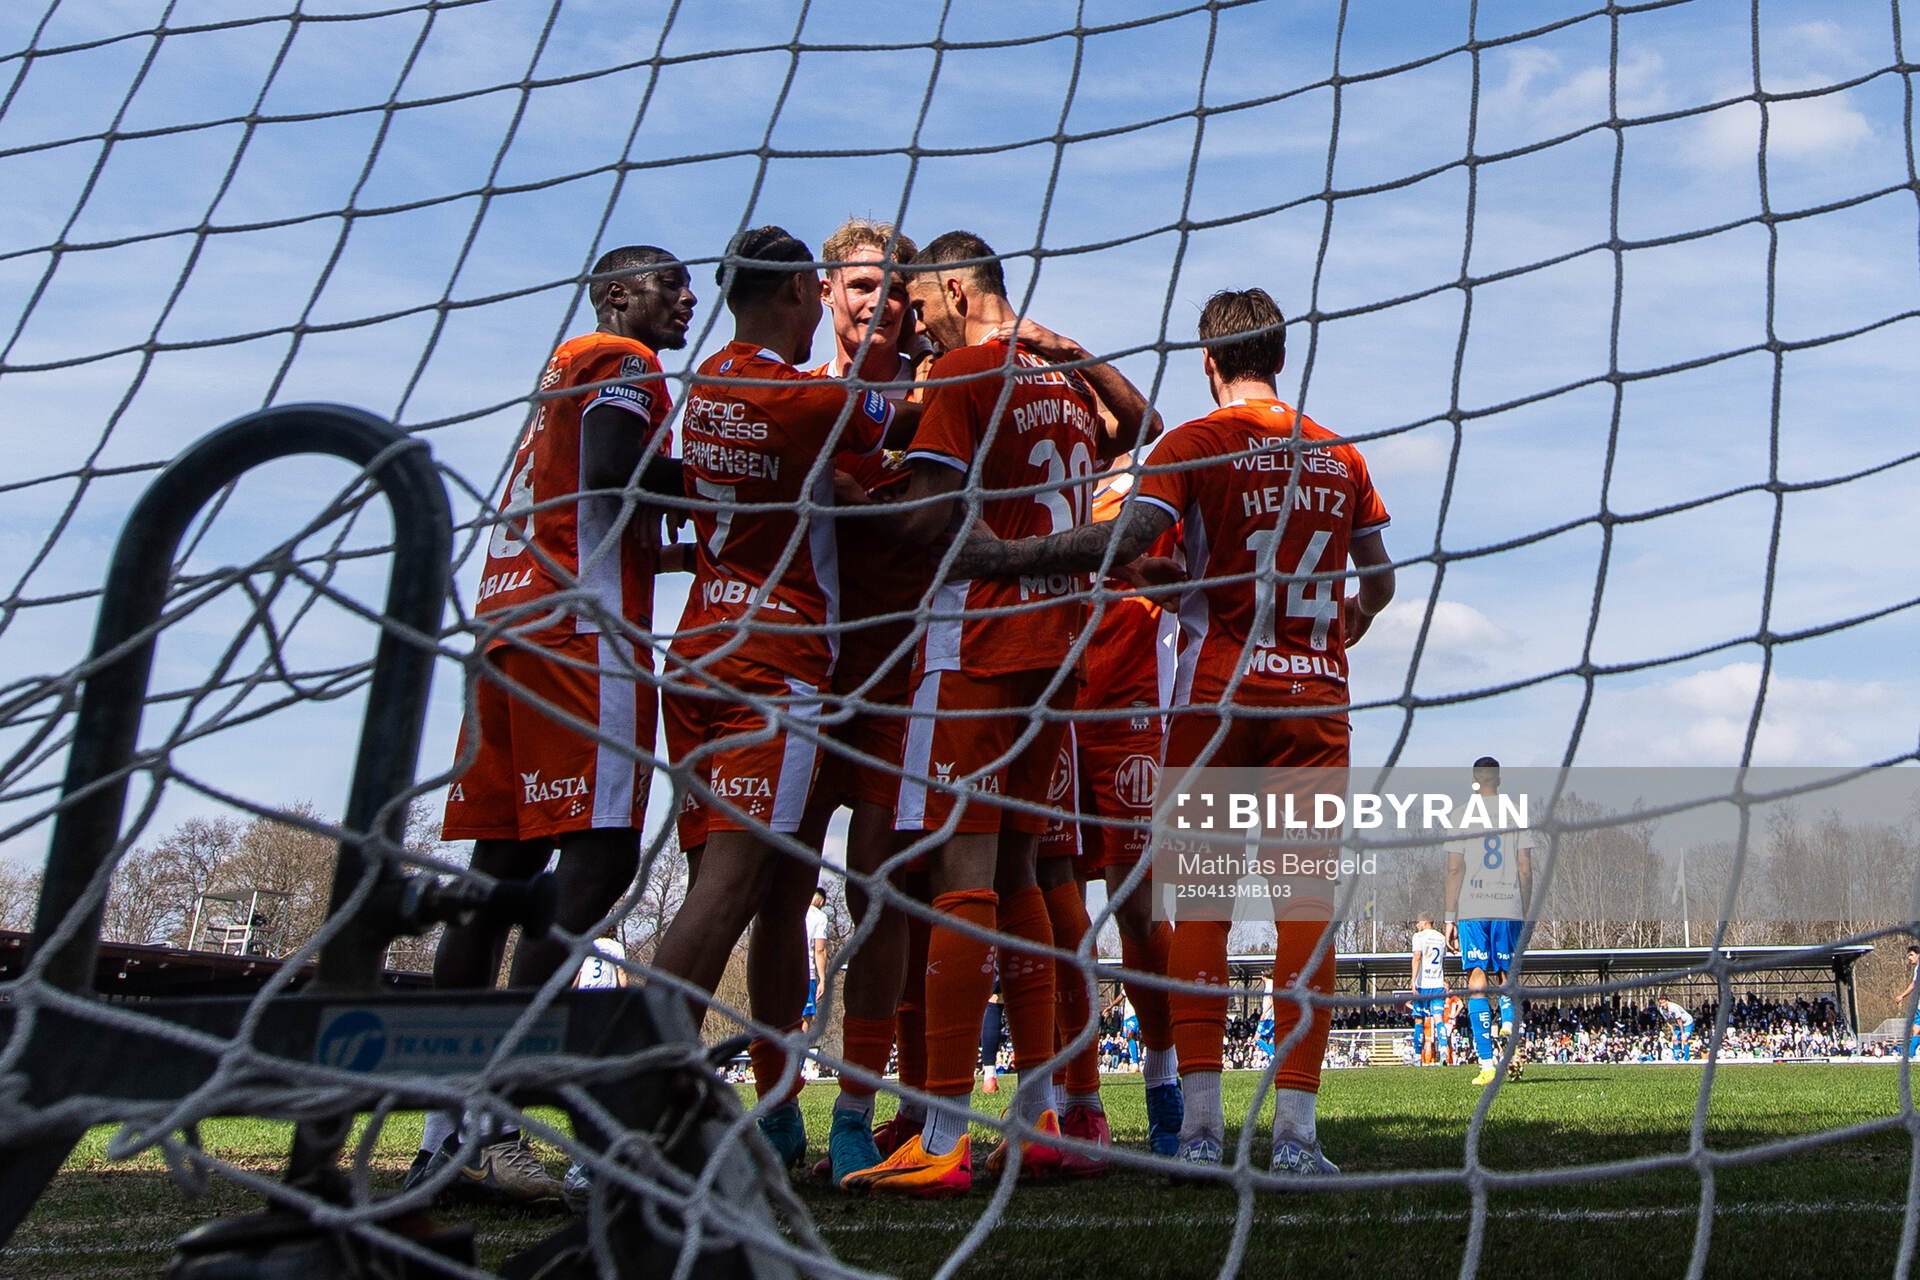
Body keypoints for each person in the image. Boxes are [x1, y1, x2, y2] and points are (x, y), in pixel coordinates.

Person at [934, 286, 1394, 1178]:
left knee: (1204, 913)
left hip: (1215, 704)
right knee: (1303, 909)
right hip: (1314, 706)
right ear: (1282, 358)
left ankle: (1200, 1130)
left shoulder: (1192, 444)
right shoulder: (1340, 454)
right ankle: (1298, 1137)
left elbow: (1124, 541)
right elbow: (1376, 581)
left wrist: (1002, 556)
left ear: (1209, 364)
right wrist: (1336, 634)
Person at [843, 231, 1157, 1198]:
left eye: (920, 299)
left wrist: (848, 498)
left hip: (977, 645)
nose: (915, 316)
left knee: (959, 871)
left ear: (948, 288)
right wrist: (1074, 354)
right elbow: (1141, 421)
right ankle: (1040, 1117)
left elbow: (934, 515)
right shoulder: (1058, 382)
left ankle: (942, 1132)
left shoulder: (971, 371)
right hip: (1062, 652)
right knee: (1024, 868)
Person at [414, 245, 695, 1206]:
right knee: (602, 857)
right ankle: (503, 1113)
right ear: (618, 295)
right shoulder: (623, 364)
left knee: (496, 877)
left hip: (505, 623)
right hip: (580, 630)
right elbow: (616, 478)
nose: (686, 299)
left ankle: (442, 1130)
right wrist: (717, 498)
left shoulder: (557, 373)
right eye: (670, 284)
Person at [653, 225, 903, 1169]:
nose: (872, 304)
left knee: (784, 887)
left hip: (708, 649)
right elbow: (894, 433)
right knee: (742, 892)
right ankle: (658, 1097)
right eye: (852, 287)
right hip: (782, 663)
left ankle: (835, 1110)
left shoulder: (707, 382)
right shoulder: (811, 397)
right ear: (813, 289)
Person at [1444, 756, 1535, 1087]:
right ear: (1499, 779)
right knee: (1506, 974)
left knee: (1476, 980)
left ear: (1474, 779)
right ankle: (1509, 1021)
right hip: (1507, 903)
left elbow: (1455, 869)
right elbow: (1524, 867)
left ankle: (1486, 1065)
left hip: (1472, 907)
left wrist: (1449, 918)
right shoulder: (1516, 813)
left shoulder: (1459, 815)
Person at [1409, 916, 1447, 1065]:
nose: (1417, 925)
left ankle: (1418, 1057)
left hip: (1423, 984)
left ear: (1425, 922)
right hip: (1437, 983)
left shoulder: (1418, 936)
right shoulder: (1441, 938)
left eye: (1418, 922)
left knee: (1419, 1019)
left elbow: (1417, 956)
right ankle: (1444, 1051)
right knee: (1438, 1019)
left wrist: (1413, 980)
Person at [804, 886, 831, 1033]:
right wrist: (822, 979)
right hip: (806, 973)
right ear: (821, 901)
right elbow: (819, 949)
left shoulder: (788, 910)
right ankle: (797, 1055)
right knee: (804, 1019)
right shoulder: (819, 916)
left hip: (782, 971)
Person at [1656, 996, 1696, 1061]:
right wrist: (1673, 1034)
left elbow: (1679, 1020)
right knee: (1674, 1039)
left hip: (1687, 1022)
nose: (1662, 1005)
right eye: (1660, 1003)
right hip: (1678, 1024)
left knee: (1684, 1038)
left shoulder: (1673, 1008)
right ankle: (1676, 1058)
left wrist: (1682, 1033)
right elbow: (1668, 1022)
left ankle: (1686, 1058)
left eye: (1663, 1003)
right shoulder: (1661, 1010)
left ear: (1667, 1001)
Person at [1900, 945, 1920, 1058]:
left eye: (1911, 955)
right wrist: (1902, 995)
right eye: (1908, 956)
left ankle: (1910, 1055)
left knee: (1916, 1031)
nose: (1909, 958)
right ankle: (1910, 1056)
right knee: (1916, 1030)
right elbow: (1914, 984)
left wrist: (1902, 995)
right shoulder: (1917, 968)